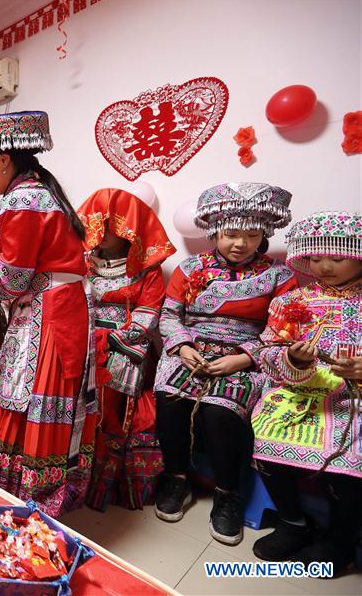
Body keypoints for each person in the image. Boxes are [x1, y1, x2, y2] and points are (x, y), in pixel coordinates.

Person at [0, 111, 95, 517]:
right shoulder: (44, 192)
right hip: (65, 304)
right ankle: (51, 483)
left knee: (32, 393)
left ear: (2, 160)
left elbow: (14, 281)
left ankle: (31, 492)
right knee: (49, 398)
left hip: (46, 314)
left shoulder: (19, 200)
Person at [153, 182, 296, 546]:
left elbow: (281, 330)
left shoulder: (280, 275)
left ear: (264, 234)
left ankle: (227, 494)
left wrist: (243, 358)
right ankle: (176, 478)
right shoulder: (191, 268)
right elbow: (170, 316)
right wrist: (182, 346)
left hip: (246, 356)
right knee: (170, 396)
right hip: (191, 350)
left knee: (220, 411)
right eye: (231, 234)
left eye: (251, 235)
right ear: (215, 232)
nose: (240, 243)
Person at [249, 211, 361, 571]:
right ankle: (293, 522)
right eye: (315, 257)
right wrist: (293, 360)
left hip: (353, 399)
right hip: (300, 391)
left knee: (349, 457)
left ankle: (341, 537)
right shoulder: (291, 301)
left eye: (337, 257)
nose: (324, 266)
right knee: (266, 436)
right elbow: (266, 351)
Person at [77, 188, 176, 511]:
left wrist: (113, 339)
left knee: (112, 377)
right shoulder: (83, 263)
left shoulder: (147, 268)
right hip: (86, 335)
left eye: (109, 227)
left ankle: (106, 473)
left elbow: (149, 315)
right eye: (97, 226)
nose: (100, 234)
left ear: (126, 230)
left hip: (127, 340)